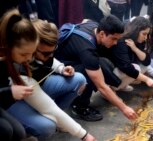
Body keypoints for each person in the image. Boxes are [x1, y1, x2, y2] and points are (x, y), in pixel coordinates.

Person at [0, 9, 95, 141]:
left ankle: (53, 121)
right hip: (10, 97)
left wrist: (61, 68)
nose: (29, 58)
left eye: (31, 54)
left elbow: (47, 105)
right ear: (9, 47)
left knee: (78, 79)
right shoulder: (18, 68)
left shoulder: (21, 55)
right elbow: (49, 108)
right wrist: (8, 93)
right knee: (13, 130)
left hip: (25, 89)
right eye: (25, 54)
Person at [55, 15, 138, 121]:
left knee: (101, 65)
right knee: (90, 74)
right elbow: (101, 87)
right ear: (102, 34)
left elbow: (85, 20)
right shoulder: (87, 50)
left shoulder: (94, 26)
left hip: (73, 58)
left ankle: (106, 92)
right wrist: (124, 108)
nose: (115, 43)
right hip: (60, 68)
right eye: (113, 39)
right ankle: (79, 107)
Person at [107, 16, 153, 89]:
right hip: (111, 72)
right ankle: (111, 88)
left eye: (147, 34)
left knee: (142, 66)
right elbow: (126, 67)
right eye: (144, 34)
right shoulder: (122, 41)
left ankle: (121, 86)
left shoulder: (138, 41)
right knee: (136, 68)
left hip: (122, 71)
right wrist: (146, 79)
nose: (146, 37)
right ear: (136, 31)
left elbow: (146, 62)